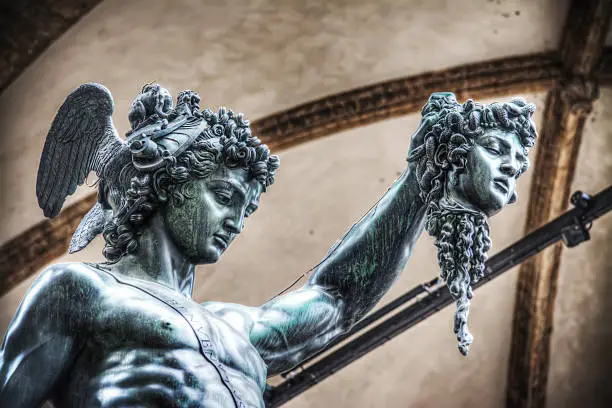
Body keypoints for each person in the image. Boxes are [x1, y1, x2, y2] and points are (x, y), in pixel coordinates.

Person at [0, 85, 536, 407]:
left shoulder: (240, 332)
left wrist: (425, 176)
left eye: (246, 209)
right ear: (169, 184)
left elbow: (337, 298)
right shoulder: (79, 290)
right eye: (225, 196)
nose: (237, 221)